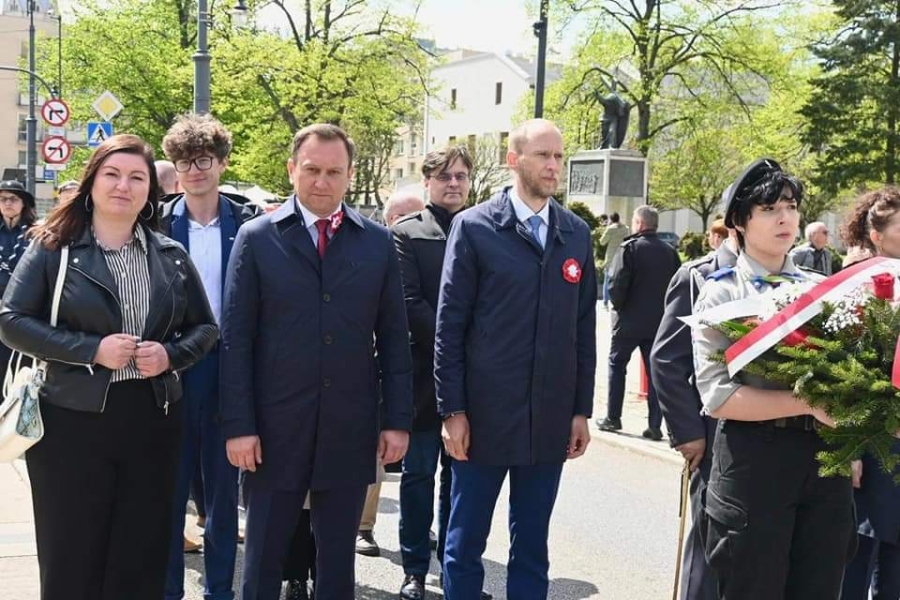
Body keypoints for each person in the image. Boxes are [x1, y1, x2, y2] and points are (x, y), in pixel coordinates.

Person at [0, 134, 218, 600]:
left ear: (150, 191)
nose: (124, 186)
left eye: (137, 177)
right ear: (92, 182)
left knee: (140, 558)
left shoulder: (170, 254)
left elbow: (205, 329)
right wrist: (91, 350)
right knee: (72, 556)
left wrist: (170, 355)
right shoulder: (53, 247)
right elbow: (11, 321)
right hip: (70, 421)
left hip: (153, 419)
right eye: (112, 174)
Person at [220, 123, 413, 600]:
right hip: (273, 430)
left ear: (350, 176)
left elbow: (394, 339)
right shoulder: (257, 238)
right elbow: (236, 340)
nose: (322, 181)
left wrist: (396, 421)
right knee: (262, 562)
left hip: (349, 427)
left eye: (334, 172)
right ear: (292, 170)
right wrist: (239, 426)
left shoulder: (376, 243)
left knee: (337, 568)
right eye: (311, 169)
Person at [434, 119, 596, 599]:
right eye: (543, 155)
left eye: (559, 156)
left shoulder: (575, 234)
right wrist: (452, 410)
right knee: (465, 542)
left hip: (548, 418)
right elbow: (449, 327)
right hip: (483, 418)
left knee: (532, 546)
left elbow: (583, 330)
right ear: (514, 160)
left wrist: (580, 410)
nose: (553, 166)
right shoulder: (475, 227)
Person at [692, 159, 854, 599]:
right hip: (754, 464)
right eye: (769, 209)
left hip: (824, 463)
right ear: (739, 223)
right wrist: (807, 403)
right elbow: (718, 396)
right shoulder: (723, 292)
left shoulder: (823, 290)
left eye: (791, 207)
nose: (785, 218)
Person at [159, 113, 261, 600]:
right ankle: (169, 592)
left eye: (203, 160)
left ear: (222, 163)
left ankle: (220, 591)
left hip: (230, 368)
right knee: (169, 491)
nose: (193, 170)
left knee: (223, 494)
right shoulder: (156, 223)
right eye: (184, 162)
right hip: (172, 367)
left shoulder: (249, 224)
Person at [392, 147, 492, 600]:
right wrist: (458, 339)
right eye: (445, 176)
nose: (454, 183)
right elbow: (408, 303)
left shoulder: (487, 230)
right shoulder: (407, 233)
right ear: (427, 181)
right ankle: (414, 569)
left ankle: (455, 573)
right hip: (420, 378)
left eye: (461, 176)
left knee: (462, 481)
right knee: (418, 477)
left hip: (474, 381)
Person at [650, 189, 739, 600]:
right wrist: (687, 432)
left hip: (771, 446)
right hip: (712, 434)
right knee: (707, 552)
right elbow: (667, 360)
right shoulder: (698, 277)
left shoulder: (790, 282)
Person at [352, 188, 425, 559]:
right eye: (406, 217)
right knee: (372, 458)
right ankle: (362, 526)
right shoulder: (373, 248)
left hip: (416, 368)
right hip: (370, 371)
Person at [839, 187, 900, 600]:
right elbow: (847, 373)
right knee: (858, 560)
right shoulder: (859, 286)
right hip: (874, 442)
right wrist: (852, 448)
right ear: (877, 236)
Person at [597, 205, 680, 440]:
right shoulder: (669, 252)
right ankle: (655, 425)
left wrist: (619, 308)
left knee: (617, 365)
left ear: (640, 224)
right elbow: (677, 288)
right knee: (655, 374)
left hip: (628, 322)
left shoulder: (629, 249)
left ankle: (613, 417)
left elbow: (616, 285)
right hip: (658, 324)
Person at [0, 180, 38, 368]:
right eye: (2, 199)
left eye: (13, 199)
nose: (8, 203)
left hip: (24, 308)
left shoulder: (36, 233)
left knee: (20, 366)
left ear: (23, 203)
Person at [598, 212, 628, 309]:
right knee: (620, 281)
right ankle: (617, 302)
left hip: (611, 258)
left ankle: (605, 303)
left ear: (611, 219)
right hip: (622, 256)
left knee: (607, 280)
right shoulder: (626, 228)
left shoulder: (610, 229)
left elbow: (602, 242)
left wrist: (606, 229)